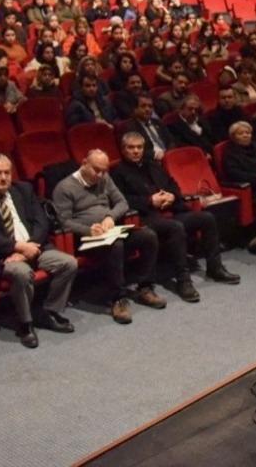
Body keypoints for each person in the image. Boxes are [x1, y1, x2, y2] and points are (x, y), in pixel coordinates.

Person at [0, 154, 78, 348]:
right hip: (6, 256)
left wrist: (30, 246)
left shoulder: (23, 190)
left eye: (7, 172)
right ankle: (26, 323)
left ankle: (49, 311)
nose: (3, 177)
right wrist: (17, 247)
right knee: (21, 273)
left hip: (35, 247)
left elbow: (41, 221)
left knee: (69, 263)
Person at [110, 132, 240, 303]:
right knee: (175, 227)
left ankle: (215, 268)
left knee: (206, 217)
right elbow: (122, 200)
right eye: (131, 147)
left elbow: (174, 186)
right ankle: (183, 280)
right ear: (123, 149)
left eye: (139, 147)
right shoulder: (117, 172)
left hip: (171, 210)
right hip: (145, 217)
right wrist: (150, 201)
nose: (135, 151)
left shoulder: (154, 165)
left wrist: (171, 196)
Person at [51, 149, 165, 324]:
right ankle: (117, 298)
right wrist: (88, 230)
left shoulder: (104, 178)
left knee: (148, 235)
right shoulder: (64, 188)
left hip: (110, 231)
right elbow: (63, 222)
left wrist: (110, 217)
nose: (100, 175)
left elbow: (122, 203)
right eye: (96, 170)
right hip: (85, 238)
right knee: (116, 245)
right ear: (84, 164)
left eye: (104, 170)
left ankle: (145, 288)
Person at [120, 93, 174, 162]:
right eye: (143, 106)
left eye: (150, 106)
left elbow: (170, 141)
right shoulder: (130, 127)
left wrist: (169, 153)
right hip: (151, 161)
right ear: (135, 109)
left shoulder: (158, 122)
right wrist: (155, 155)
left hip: (168, 157)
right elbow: (133, 151)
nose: (147, 109)